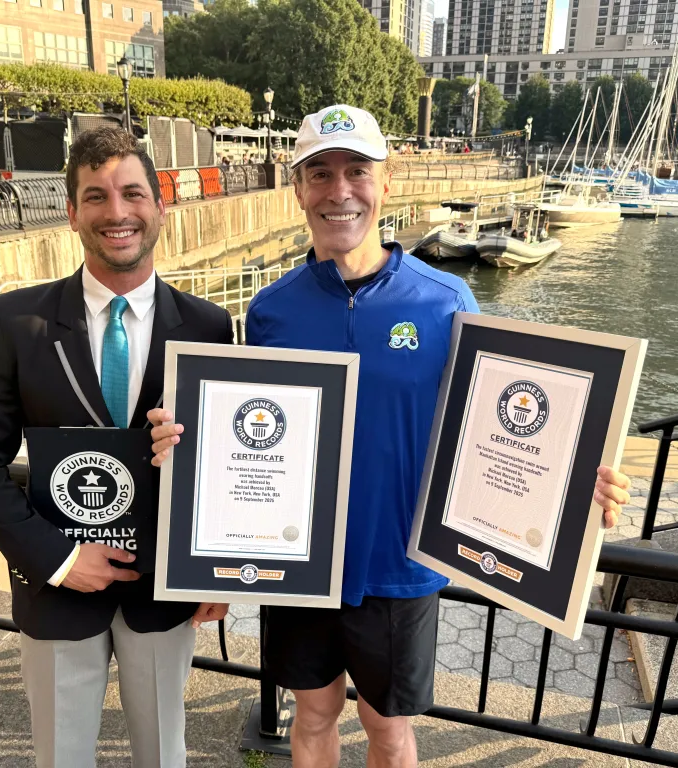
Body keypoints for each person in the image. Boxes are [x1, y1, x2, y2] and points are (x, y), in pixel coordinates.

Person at [147, 104, 633, 768]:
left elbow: (498, 430)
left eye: (356, 171)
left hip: (400, 567)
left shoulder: (447, 301)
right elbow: (246, 437)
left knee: (389, 731)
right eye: (319, 173)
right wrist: (185, 447)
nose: (338, 190)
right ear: (297, 189)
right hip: (298, 564)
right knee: (312, 716)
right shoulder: (269, 311)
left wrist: (575, 482)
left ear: (388, 181)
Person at [0, 126, 232, 768]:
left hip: (163, 586)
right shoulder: (18, 323)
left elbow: (230, 463)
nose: (117, 212)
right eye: (96, 196)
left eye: (133, 193)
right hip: (56, 585)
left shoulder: (211, 327)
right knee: (61, 756)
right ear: (72, 212)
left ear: (161, 205)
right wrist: (56, 559)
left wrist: (215, 566)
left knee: (164, 752)